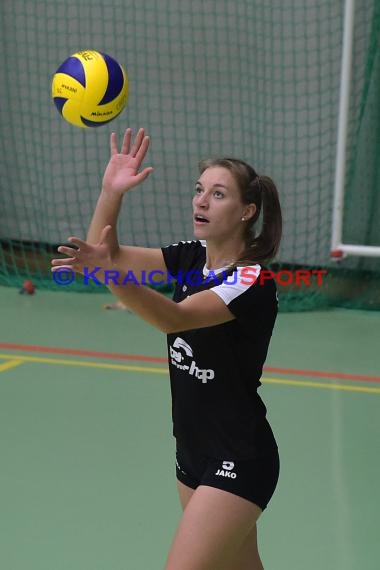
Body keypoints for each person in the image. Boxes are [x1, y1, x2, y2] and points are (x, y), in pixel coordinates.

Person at [52, 127, 282, 570]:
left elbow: (172, 319)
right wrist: (111, 192)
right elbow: (109, 255)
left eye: (218, 194)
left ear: (246, 211)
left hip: (240, 455)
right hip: (191, 450)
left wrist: (111, 275)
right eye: (199, 191)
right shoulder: (191, 255)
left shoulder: (249, 280)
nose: (200, 201)